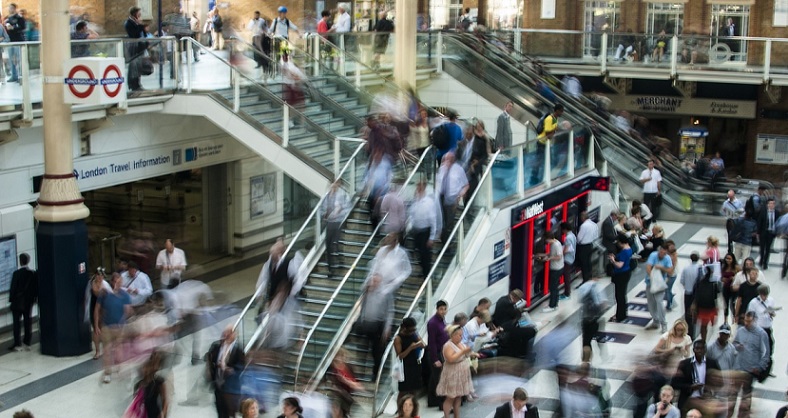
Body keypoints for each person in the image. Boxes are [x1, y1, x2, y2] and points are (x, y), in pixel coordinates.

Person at [731, 311, 770, 418]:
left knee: (746, 395)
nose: (746, 323)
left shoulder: (761, 334)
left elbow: (766, 353)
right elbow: (733, 344)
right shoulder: (740, 330)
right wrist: (737, 346)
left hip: (750, 370)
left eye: (749, 321)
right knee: (733, 393)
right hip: (738, 368)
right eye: (745, 321)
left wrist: (759, 367)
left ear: (755, 320)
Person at [96, 273, 132, 383]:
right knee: (107, 350)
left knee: (119, 350)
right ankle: (107, 373)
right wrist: (97, 325)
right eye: (117, 281)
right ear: (112, 282)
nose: (119, 283)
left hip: (120, 327)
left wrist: (125, 323)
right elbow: (97, 309)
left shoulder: (125, 296)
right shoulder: (104, 294)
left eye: (120, 281)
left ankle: (120, 369)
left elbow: (128, 311)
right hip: (107, 326)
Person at [437, 325, 477, 418]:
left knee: (458, 396)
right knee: (450, 397)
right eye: (459, 335)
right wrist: (463, 352)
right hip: (452, 373)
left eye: (461, 335)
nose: (461, 337)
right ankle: (446, 416)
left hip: (462, 372)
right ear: (453, 335)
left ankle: (457, 416)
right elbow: (450, 359)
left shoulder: (461, 343)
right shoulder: (448, 345)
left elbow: (465, 353)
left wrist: (473, 353)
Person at [670, 339, 721, 413]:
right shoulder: (685, 364)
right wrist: (690, 387)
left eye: (702, 348)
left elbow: (720, 380)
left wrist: (710, 390)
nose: (699, 351)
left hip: (706, 400)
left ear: (705, 350)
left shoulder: (712, 363)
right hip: (688, 400)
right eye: (697, 348)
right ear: (693, 350)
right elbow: (674, 383)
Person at [207, 325, 246, 418]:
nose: (226, 334)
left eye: (230, 332)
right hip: (218, 386)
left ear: (235, 334)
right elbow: (210, 359)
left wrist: (230, 369)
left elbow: (241, 367)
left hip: (230, 389)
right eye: (225, 332)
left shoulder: (238, 349)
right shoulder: (216, 346)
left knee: (230, 413)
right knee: (220, 411)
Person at [492, 289, 536, 359]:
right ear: (516, 298)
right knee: (531, 331)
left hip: (504, 325)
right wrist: (519, 311)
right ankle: (523, 353)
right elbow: (514, 316)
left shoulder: (503, 299)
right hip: (507, 329)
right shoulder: (508, 304)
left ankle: (522, 352)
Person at [409, 180, 439, 278]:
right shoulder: (415, 201)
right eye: (417, 187)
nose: (417, 189)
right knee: (419, 252)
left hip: (425, 231)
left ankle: (427, 274)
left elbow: (433, 220)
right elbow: (412, 213)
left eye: (419, 187)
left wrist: (431, 237)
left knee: (425, 254)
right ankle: (423, 271)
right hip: (416, 231)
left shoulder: (429, 202)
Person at [436, 152, 469, 242]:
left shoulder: (459, 170)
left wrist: (460, 195)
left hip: (453, 199)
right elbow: (438, 183)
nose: (447, 161)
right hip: (441, 197)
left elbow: (466, 185)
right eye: (446, 159)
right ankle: (444, 240)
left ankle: (447, 243)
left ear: (453, 160)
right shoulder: (442, 169)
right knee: (442, 221)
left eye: (449, 159)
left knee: (449, 223)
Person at [9, 253, 37, 352]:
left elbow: (13, 289)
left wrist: (11, 300)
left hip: (17, 302)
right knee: (27, 321)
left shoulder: (16, 274)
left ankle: (17, 344)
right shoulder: (32, 274)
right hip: (28, 302)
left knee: (16, 323)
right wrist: (33, 299)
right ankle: (27, 342)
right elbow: (35, 289)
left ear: (20, 261)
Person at [394, 317, 426, 400]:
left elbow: (423, 344)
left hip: (414, 364)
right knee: (403, 391)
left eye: (414, 329)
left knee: (414, 390)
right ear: (405, 328)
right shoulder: (398, 338)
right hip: (404, 366)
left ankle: (413, 408)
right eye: (411, 330)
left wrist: (420, 344)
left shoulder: (414, 334)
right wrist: (410, 348)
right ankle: (400, 409)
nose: (413, 331)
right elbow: (400, 356)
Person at [532, 104, 564, 184]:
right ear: (556, 111)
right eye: (561, 111)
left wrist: (555, 130)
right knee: (539, 159)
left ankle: (542, 175)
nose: (562, 113)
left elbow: (553, 130)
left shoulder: (555, 119)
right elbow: (548, 134)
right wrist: (555, 130)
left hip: (546, 143)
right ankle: (534, 175)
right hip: (542, 142)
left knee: (545, 159)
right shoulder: (550, 119)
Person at [645, 246, 674, 333]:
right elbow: (648, 267)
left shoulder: (667, 258)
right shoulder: (653, 255)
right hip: (650, 282)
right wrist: (653, 278)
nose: (662, 255)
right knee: (651, 302)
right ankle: (655, 320)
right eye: (661, 253)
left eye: (664, 253)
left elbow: (670, 271)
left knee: (659, 303)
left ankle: (663, 323)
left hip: (660, 284)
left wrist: (661, 267)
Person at [322, 180, 350, 269]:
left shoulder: (342, 195)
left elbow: (347, 208)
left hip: (338, 222)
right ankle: (330, 267)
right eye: (332, 185)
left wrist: (338, 213)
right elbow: (322, 208)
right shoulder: (327, 196)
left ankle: (340, 260)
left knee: (337, 242)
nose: (333, 187)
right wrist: (325, 215)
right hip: (330, 222)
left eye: (335, 185)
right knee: (328, 244)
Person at [427, 300, 449, 408]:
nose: (443, 311)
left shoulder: (442, 320)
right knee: (439, 379)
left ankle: (432, 400)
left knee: (434, 378)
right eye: (441, 309)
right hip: (436, 353)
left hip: (442, 351)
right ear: (437, 309)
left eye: (445, 309)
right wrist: (435, 358)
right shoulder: (432, 323)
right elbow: (432, 342)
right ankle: (441, 403)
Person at [134, 350, 168, 418]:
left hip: (155, 414)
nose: (146, 370)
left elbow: (164, 400)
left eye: (148, 366)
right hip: (142, 414)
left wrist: (163, 414)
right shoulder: (138, 385)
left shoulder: (159, 382)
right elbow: (135, 404)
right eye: (144, 367)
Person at [609, 235, 633, 322]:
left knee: (619, 296)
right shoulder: (629, 249)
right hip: (626, 273)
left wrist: (613, 260)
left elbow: (619, 265)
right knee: (622, 295)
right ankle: (622, 313)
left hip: (621, 275)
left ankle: (620, 315)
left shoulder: (624, 252)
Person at [746, 284, 775, 357]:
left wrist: (772, 313)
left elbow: (773, 312)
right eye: (763, 295)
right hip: (758, 327)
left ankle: (768, 357)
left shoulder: (771, 300)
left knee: (770, 343)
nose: (765, 297)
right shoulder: (753, 302)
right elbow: (749, 314)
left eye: (766, 295)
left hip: (767, 326)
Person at [693, 265, 720, 341]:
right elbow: (717, 294)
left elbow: (696, 295)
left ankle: (703, 340)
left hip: (702, 307)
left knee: (703, 326)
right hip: (710, 307)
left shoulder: (699, 282)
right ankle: (706, 340)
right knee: (710, 325)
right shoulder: (714, 283)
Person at [124, 6, 147, 92]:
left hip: (140, 46)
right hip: (134, 47)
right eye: (138, 12)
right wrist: (141, 26)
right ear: (135, 13)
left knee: (138, 66)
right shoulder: (129, 23)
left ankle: (137, 83)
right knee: (134, 66)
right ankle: (133, 85)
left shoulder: (137, 22)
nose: (140, 14)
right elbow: (134, 34)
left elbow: (143, 33)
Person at [679, 252, 702, 338]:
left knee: (688, 314)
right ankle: (695, 329)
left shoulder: (686, 269)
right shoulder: (700, 268)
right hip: (698, 294)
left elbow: (682, 281)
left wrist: (687, 285)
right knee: (696, 312)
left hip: (688, 293)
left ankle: (690, 332)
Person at [541, 230, 564, 313]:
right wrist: (541, 255)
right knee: (555, 288)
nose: (546, 242)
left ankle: (552, 306)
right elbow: (551, 254)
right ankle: (555, 304)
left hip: (556, 269)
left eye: (546, 240)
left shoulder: (556, 245)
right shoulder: (555, 243)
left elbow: (559, 256)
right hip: (558, 268)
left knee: (553, 288)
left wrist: (549, 258)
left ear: (548, 238)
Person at [757, 198, 781, 270]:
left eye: (773, 204)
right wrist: (758, 232)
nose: (771, 205)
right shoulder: (763, 212)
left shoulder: (776, 213)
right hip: (763, 232)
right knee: (762, 248)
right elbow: (759, 222)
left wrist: (777, 232)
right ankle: (761, 260)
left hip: (771, 233)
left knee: (768, 248)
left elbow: (778, 223)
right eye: (770, 203)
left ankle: (765, 263)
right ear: (767, 205)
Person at [577, 211, 600, 284]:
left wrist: (578, 242)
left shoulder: (584, 226)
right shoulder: (593, 224)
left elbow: (579, 238)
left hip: (583, 246)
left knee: (584, 263)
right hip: (590, 245)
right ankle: (590, 276)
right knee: (588, 261)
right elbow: (596, 235)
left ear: (583, 217)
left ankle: (585, 279)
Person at [4, 3, 24, 83]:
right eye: (9, 8)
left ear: (15, 9)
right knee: (11, 60)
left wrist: (14, 27)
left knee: (19, 59)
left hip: (18, 40)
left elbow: (23, 27)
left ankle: (21, 76)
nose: (10, 9)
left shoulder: (19, 18)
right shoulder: (8, 19)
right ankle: (14, 76)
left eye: (11, 8)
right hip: (10, 41)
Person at [721, 190, 745, 254]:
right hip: (730, 220)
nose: (729, 197)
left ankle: (739, 249)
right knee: (729, 235)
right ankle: (730, 249)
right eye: (729, 196)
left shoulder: (739, 202)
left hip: (737, 220)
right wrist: (726, 216)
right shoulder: (726, 203)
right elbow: (723, 211)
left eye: (731, 196)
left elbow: (742, 211)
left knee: (738, 235)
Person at [720, 253, 739, 324]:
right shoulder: (724, 267)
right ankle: (725, 321)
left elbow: (740, 276)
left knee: (733, 304)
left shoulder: (736, 267)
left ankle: (734, 319)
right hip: (726, 288)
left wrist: (734, 278)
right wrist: (722, 279)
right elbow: (720, 276)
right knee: (726, 304)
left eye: (729, 259)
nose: (728, 260)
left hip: (733, 288)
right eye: (727, 258)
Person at [560, 222, 576, 299]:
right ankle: (567, 292)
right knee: (567, 276)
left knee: (566, 276)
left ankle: (567, 293)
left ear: (565, 229)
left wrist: (560, 254)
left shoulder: (568, 238)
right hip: (571, 258)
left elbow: (566, 249)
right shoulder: (572, 235)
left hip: (567, 259)